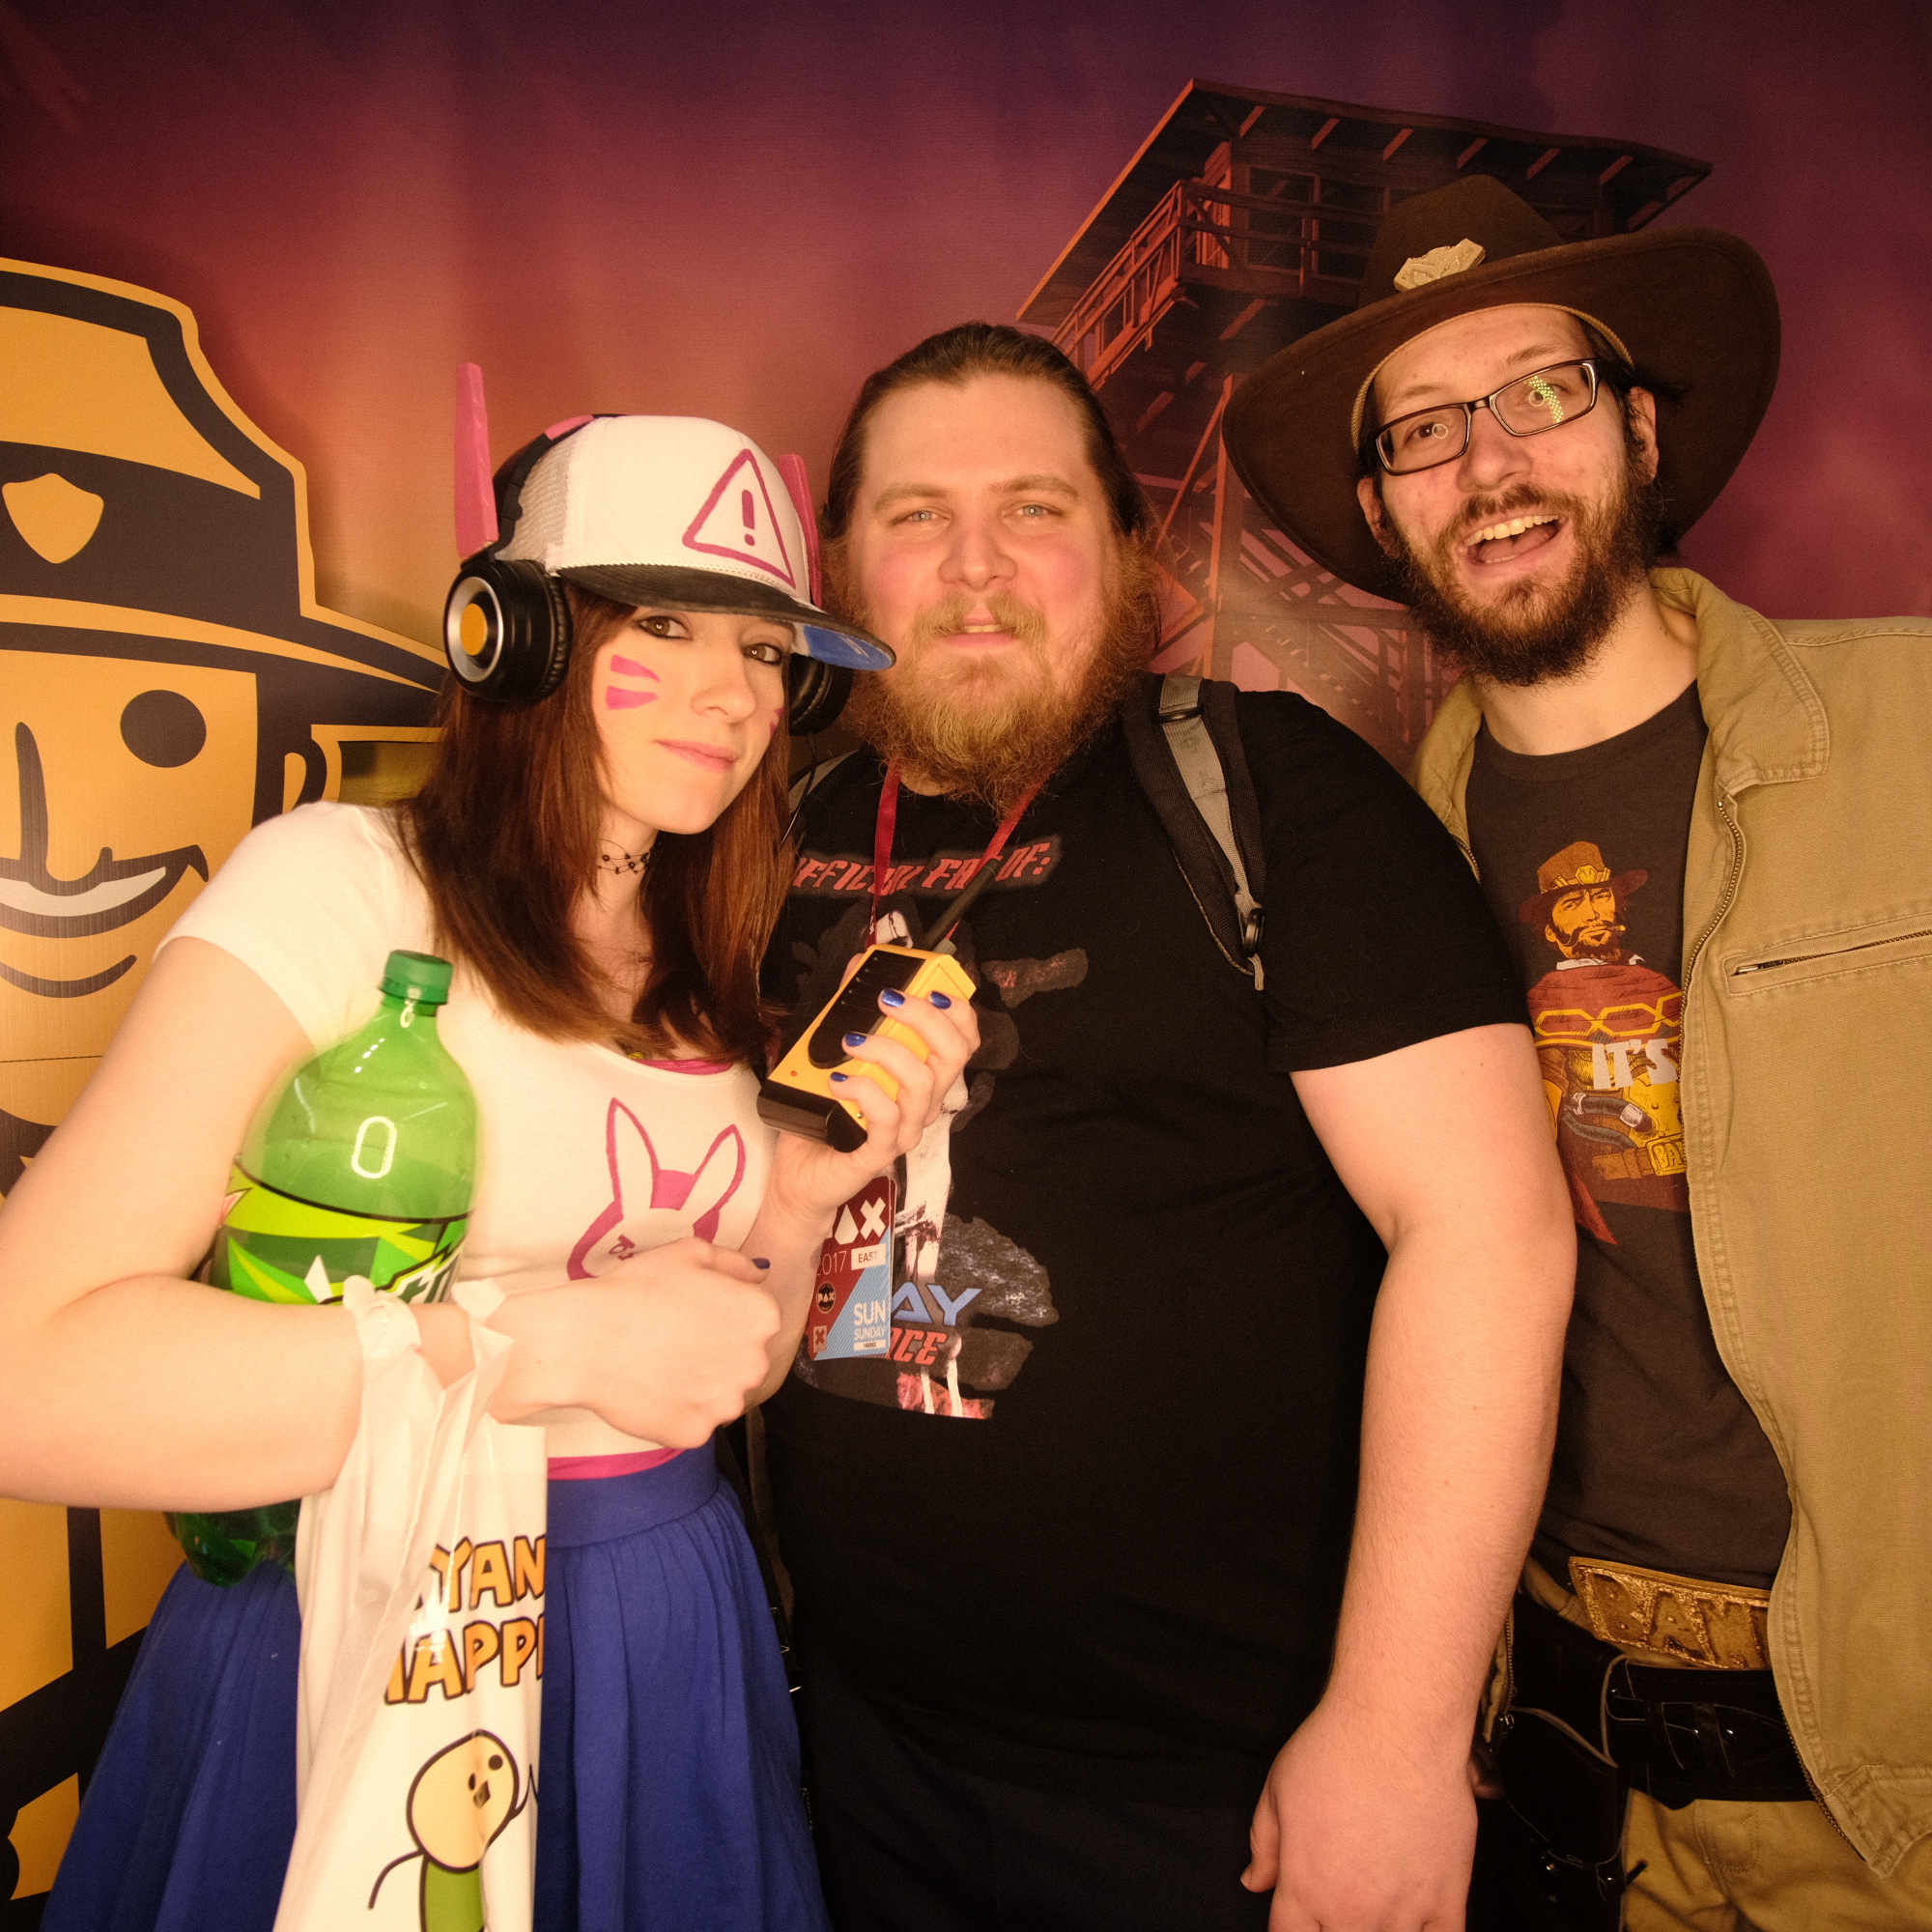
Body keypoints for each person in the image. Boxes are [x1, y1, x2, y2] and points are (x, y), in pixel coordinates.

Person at [0, 412, 976, 1932]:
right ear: (512, 636)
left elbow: (718, 1368)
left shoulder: (718, 953)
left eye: (765, 649)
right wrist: (527, 1346)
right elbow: (29, 1381)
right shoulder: (339, 884)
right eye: (665, 625)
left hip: (665, 1628)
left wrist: (794, 1207)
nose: (733, 693)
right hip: (372, 1612)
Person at [757, 322, 1575, 1932]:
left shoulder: (1271, 790)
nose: (975, 567)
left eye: (1034, 509)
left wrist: (1396, 1733)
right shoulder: (765, 829)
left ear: (1128, 550)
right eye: (918, 516)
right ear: (840, 563)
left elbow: (1487, 1233)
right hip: (851, 1746)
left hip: (1220, 1790)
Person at [1223, 173, 1932, 1928]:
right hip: (1560, 1770)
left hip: (1895, 1779)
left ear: (1639, 429)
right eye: (1427, 429)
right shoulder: (1369, 871)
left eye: (1542, 392)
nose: (1492, 462)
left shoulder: (1913, 730)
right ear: (1383, 510)